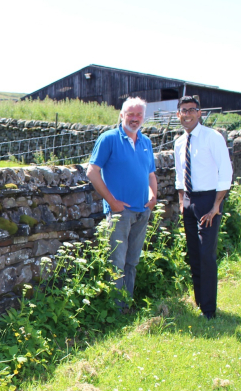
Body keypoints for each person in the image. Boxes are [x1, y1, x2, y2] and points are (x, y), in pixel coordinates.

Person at [87, 97, 158, 303]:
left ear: (143, 117)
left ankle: (126, 304)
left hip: (142, 211)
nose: (135, 118)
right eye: (130, 114)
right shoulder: (109, 139)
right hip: (120, 213)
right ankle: (115, 310)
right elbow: (92, 171)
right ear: (121, 116)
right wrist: (112, 201)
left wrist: (153, 196)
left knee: (132, 261)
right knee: (116, 262)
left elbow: (150, 174)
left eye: (139, 114)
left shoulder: (146, 142)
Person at [173, 95, 233, 320]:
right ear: (178, 114)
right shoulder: (179, 142)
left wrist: (216, 205)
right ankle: (199, 302)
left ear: (199, 113)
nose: (187, 114)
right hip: (189, 201)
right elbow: (180, 175)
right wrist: (181, 202)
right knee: (194, 254)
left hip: (209, 201)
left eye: (191, 110)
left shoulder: (212, 138)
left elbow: (225, 172)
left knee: (206, 254)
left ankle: (209, 310)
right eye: (183, 110)